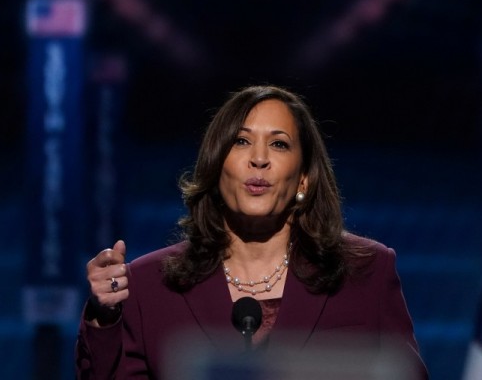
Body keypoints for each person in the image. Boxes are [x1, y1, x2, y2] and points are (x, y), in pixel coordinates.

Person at [75, 85, 428, 379]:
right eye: (241, 142)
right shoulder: (150, 287)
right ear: (215, 168)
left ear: (303, 178)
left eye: (279, 144)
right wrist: (104, 316)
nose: (259, 159)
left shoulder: (366, 272)